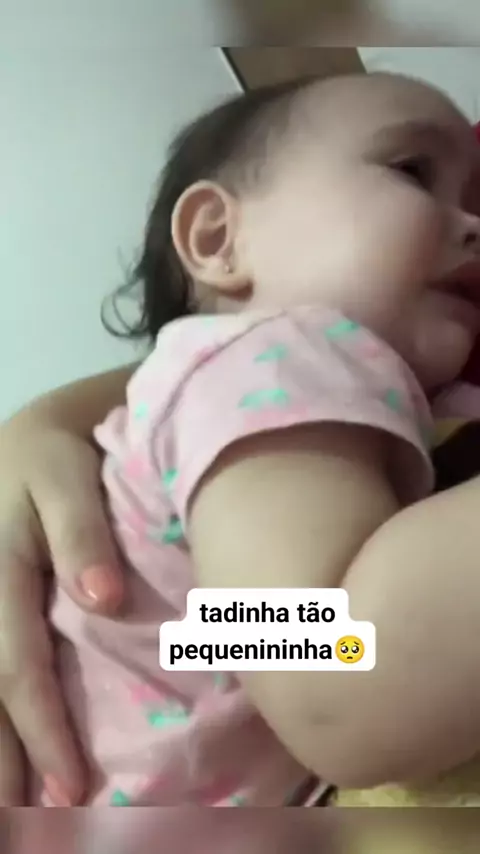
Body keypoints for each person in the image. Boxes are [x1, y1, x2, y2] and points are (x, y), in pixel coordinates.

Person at [3, 71, 480, 812]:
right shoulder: (269, 359)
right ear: (217, 239)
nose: (473, 222)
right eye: (413, 172)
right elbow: (325, 666)